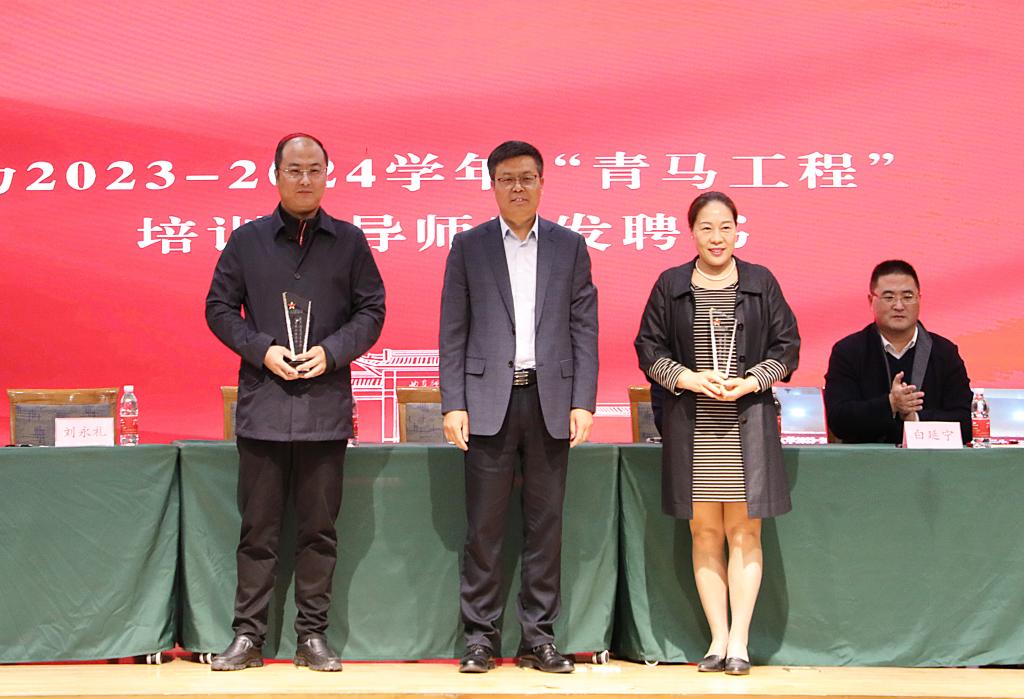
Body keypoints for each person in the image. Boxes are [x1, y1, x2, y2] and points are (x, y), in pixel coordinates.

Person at [205, 133, 386, 671]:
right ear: (276, 175)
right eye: (294, 170)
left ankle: (313, 637)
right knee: (257, 532)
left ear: (327, 175)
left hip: (323, 410)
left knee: (318, 533)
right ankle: (247, 636)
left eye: (314, 170)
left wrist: (331, 353)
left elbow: (372, 311)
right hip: (263, 408)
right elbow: (218, 308)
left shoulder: (350, 242)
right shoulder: (247, 241)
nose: (305, 179)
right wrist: (262, 349)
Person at [439, 140, 598, 674]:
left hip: (550, 400)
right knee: (484, 529)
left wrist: (583, 400)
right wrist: (453, 403)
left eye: (527, 177)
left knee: (544, 528)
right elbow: (453, 330)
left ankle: (539, 638)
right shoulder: (469, 246)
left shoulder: (569, 246)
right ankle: (480, 639)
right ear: (492, 185)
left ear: (542, 182)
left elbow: (584, 328)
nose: (518, 188)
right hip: (488, 403)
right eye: (507, 179)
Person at [634, 191, 799, 676]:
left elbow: (788, 346)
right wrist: (686, 378)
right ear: (692, 232)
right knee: (704, 531)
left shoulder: (760, 282)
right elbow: (648, 348)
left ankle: (740, 642)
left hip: (746, 422)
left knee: (745, 531)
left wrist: (752, 381)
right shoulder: (671, 284)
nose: (717, 237)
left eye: (725, 227)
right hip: (694, 425)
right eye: (706, 228)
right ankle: (717, 638)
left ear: (737, 230)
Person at [823, 259, 972, 444]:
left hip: (929, 459)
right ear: (871, 300)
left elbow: (966, 423)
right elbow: (839, 420)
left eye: (907, 297)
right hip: (866, 460)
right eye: (889, 297)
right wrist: (891, 404)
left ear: (919, 299)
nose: (899, 306)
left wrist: (915, 419)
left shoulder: (945, 352)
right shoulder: (848, 351)